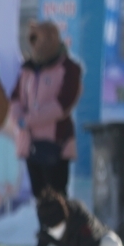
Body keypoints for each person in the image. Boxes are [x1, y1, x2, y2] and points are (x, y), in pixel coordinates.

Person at [10, 20, 82, 200]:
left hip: (56, 142)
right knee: (39, 195)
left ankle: (62, 228)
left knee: (56, 196)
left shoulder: (69, 68)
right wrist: (18, 116)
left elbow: (63, 104)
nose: (35, 45)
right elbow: (15, 97)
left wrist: (28, 119)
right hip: (30, 142)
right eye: (32, 40)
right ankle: (45, 228)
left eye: (39, 39)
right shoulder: (27, 68)